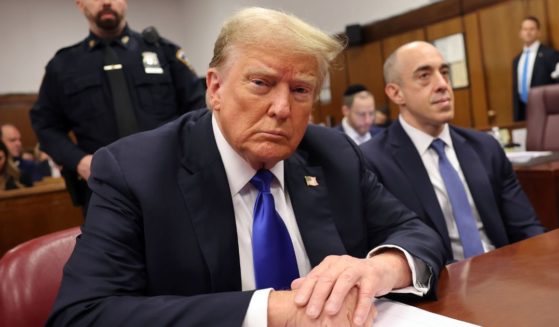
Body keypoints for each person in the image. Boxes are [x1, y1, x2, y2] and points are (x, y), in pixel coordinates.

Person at [47, 8, 446, 326]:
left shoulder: (333, 152)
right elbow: (83, 313)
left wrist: (380, 269)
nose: (281, 108)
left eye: (300, 90)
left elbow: (417, 234)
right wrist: (272, 312)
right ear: (215, 88)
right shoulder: (135, 170)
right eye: (260, 83)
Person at [360, 41, 545, 262]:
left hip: (504, 273)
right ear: (396, 93)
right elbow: (391, 251)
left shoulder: (485, 147)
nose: (442, 84)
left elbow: (525, 227)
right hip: (439, 285)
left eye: (444, 72)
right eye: (424, 76)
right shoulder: (371, 161)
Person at [30, 0, 205, 209]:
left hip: (171, 181)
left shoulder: (163, 52)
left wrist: (183, 155)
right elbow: (45, 124)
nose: (106, 2)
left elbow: (198, 109)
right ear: (79, 4)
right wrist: (80, 161)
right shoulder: (63, 66)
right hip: (105, 190)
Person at [512, 16, 559, 121]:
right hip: (523, 113)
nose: (528, 32)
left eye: (532, 29)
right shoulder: (516, 60)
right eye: (525, 29)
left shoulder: (550, 55)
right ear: (520, 33)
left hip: (546, 112)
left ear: (538, 32)